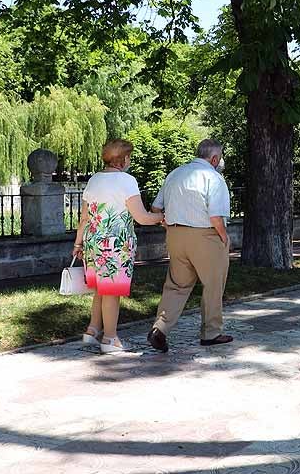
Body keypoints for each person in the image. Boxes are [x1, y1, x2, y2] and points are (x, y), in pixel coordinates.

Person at [73, 138, 163, 354]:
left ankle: (92, 330)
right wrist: (161, 216)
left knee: (100, 290)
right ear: (122, 160)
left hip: (93, 242)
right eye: (128, 157)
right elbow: (140, 217)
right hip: (115, 245)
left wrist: (78, 242)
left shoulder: (94, 180)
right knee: (111, 291)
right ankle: (110, 339)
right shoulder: (127, 181)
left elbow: (84, 218)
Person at [146, 138, 234, 352]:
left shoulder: (175, 174)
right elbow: (215, 216)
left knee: (176, 285)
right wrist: (224, 237)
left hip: (176, 235)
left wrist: (169, 225)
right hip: (206, 236)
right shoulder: (214, 178)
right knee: (213, 285)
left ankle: (160, 328)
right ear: (214, 158)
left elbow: (156, 208)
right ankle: (211, 333)